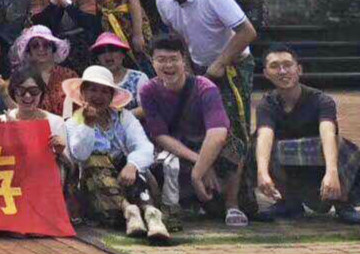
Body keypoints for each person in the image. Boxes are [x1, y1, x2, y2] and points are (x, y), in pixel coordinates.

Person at [153, 0, 256, 211]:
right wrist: (187, 70)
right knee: (200, 128)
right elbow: (179, 36)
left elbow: (247, 32)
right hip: (198, 68)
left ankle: (237, 202)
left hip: (232, 66)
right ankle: (212, 196)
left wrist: (220, 64)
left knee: (233, 130)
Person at [140, 32, 247, 226]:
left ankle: (232, 204)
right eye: (161, 60)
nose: (168, 65)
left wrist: (198, 173)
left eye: (174, 59)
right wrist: (201, 163)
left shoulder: (204, 87)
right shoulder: (148, 91)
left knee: (235, 146)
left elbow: (218, 134)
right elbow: (160, 135)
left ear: (184, 60)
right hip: (177, 149)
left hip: (207, 145)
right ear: (152, 62)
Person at [254, 43, 360, 223]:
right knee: (257, 147)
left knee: (340, 145)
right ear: (266, 73)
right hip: (291, 169)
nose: (282, 71)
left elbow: (328, 133)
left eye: (287, 65)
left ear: (299, 69)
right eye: (275, 66)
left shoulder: (322, 100)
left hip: (320, 165)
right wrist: (262, 173)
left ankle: (343, 203)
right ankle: (288, 202)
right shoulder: (267, 104)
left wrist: (332, 172)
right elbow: (264, 135)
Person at [63, 64, 169, 242]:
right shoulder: (73, 123)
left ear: (111, 96)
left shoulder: (124, 117)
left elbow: (144, 146)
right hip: (96, 190)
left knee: (133, 163)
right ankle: (129, 210)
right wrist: (88, 125)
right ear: (82, 93)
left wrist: (132, 165)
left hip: (128, 182)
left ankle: (150, 213)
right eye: (93, 90)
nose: (98, 96)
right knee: (93, 161)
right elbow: (80, 155)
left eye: (104, 91)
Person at [0, 68, 68, 165]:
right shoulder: (1, 122)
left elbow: (71, 167)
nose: (27, 96)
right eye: (21, 90)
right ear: (13, 92)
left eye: (34, 91)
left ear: (41, 92)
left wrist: (60, 152)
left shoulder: (56, 122)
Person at [11, 25, 78, 116]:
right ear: (29, 50)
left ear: (53, 48)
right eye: (35, 45)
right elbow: (15, 109)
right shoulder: (21, 76)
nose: (41, 49)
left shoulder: (69, 76)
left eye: (46, 45)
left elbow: (79, 108)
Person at [91, 32, 149, 116]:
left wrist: (121, 117)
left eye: (112, 50)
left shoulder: (138, 78)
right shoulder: (93, 82)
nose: (107, 55)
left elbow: (146, 108)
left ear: (123, 54)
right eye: (102, 51)